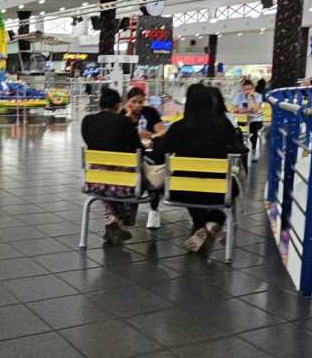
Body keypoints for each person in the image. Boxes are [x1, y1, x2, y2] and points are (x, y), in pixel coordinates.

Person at [154, 83, 246, 252]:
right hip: (217, 190)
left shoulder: (177, 128)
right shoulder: (223, 126)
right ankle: (213, 221)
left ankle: (200, 227)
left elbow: (159, 154)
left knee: (192, 188)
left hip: (180, 190)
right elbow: (239, 148)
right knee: (232, 190)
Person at [81, 86, 143, 245]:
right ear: (118, 105)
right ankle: (123, 220)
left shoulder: (87, 121)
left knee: (107, 178)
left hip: (95, 181)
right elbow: (139, 149)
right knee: (138, 176)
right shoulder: (124, 121)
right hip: (122, 184)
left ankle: (112, 221)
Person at [124, 87, 166, 228]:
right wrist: (128, 115)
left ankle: (152, 209)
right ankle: (133, 203)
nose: (138, 105)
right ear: (127, 102)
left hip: (149, 153)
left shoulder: (150, 112)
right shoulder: (123, 115)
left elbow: (161, 131)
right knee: (146, 172)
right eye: (134, 102)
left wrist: (152, 135)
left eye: (141, 102)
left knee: (153, 171)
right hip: (129, 156)